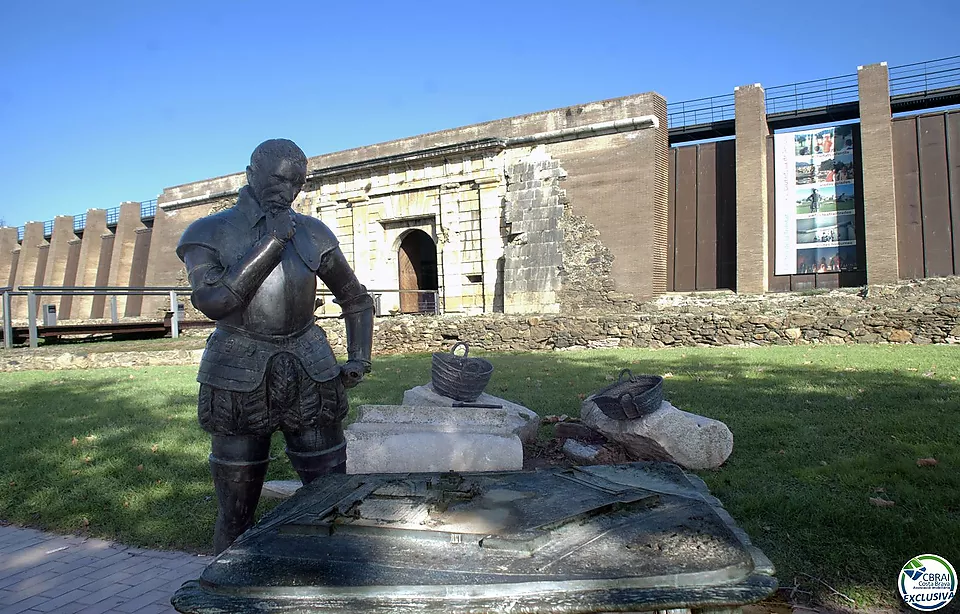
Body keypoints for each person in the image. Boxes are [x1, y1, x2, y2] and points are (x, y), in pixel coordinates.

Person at [177, 139, 374, 554]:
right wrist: (272, 242)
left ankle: (331, 586)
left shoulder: (314, 233)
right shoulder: (208, 232)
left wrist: (359, 357)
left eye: (296, 182)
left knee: (331, 503)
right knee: (236, 513)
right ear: (251, 175)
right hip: (236, 368)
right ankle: (225, 591)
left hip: (311, 368)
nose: (287, 190)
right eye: (279, 178)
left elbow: (355, 298)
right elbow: (216, 301)